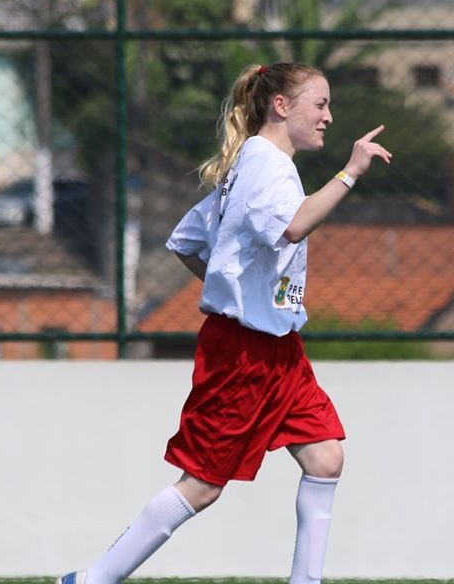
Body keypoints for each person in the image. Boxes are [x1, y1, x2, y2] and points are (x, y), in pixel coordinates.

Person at [56, 61, 392, 584]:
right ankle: (90, 581)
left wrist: (232, 286)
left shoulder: (254, 163)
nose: (328, 116)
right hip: (242, 354)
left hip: (278, 349)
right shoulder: (264, 165)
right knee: (202, 486)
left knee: (326, 457)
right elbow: (295, 225)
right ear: (282, 106)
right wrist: (350, 173)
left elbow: (187, 240)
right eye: (320, 104)